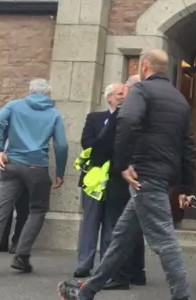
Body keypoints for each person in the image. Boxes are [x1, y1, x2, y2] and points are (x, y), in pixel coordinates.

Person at [57, 49, 196, 300]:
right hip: (163, 175)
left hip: (144, 173)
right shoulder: (179, 99)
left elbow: (128, 120)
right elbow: (188, 144)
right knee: (121, 238)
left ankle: (182, 295)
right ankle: (86, 292)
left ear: (144, 66)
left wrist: (121, 164)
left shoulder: (142, 91)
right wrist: (186, 186)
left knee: (164, 240)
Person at [0, 79, 68, 276]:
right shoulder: (53, 114)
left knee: (0, 212)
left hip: (12, 164)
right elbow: (62, 145)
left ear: (30, 91)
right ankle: (21, 255)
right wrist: (60, 171)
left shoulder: (14, 106)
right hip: (37, 167)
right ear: (47, 94)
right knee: (38, 210)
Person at [89, 75, 146, 290]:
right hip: (145, 173)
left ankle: (120, 274)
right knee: (136, 224)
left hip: (121, 174)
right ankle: (137, 272)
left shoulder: (125, 113)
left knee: (118, 225)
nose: (122, 96)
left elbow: (103, 142)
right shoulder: (154, 113)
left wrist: (98, 161)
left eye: (124, 92)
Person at [74, 83, 125, 278]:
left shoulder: (129, 119)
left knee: (111, 225)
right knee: (90, 222)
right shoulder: (95, 118)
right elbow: (86, 142)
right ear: (109, 97)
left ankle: (106, 267)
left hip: (116, 179)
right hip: (94, 180)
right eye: (119, 94)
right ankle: (84, 264)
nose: (123, 97)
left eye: (124, 94)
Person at [0, 133, 30, 254]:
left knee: (14, 210)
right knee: (10, 211)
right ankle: (9, 242)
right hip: (13, 170)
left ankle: (11, 242)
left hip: (14, 171)